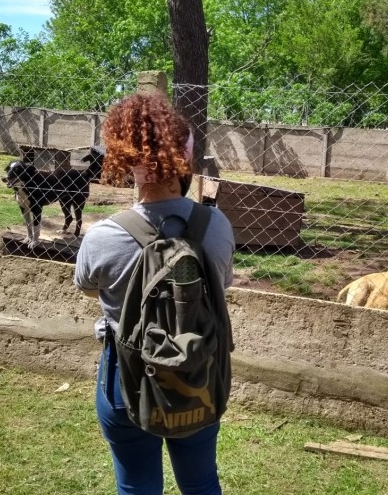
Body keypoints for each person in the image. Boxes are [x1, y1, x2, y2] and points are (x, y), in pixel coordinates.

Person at [74, 93, 235, 495]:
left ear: (122, 158)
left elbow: (86, 286)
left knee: (136, 485)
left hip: (126, 380)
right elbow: (223, 282)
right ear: (187, 155)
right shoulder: (216, 226)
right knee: (200, 481)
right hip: (200, 372)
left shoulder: (103, 236)